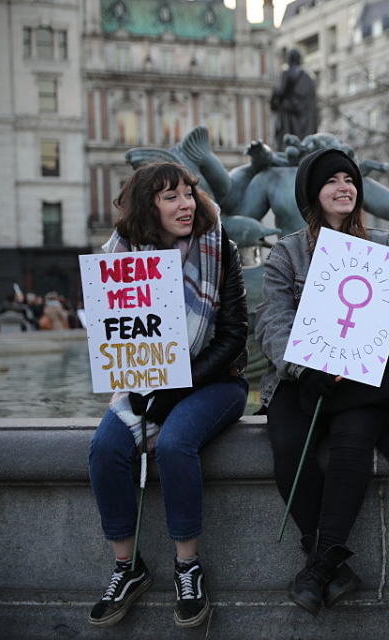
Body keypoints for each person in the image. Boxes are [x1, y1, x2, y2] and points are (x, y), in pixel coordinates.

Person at [88, 162, 249, 627]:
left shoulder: (221, 249)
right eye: (170, 196)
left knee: (177, 444)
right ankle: (127, 567)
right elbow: (114, 339)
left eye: (189, 193)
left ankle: (187, 566)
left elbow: (234, 335)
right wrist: (144, 382)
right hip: (144, 384)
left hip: (216, 382)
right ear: (148, 206)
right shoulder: (120, 261)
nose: (185, 204)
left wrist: (178, 384)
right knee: (103, 448)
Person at [255, 148, 389, 615]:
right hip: (305, 376)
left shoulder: (387, 246)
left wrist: (382, 316)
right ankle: (331, 567)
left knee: (352, 444)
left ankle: (318, 567)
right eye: (332, 181)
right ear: (313, 194)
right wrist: (305, 367)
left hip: (368, 377)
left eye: (350, 179)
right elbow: (272, 322)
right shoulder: (287, 251)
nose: (344, 187)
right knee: (287, 445)